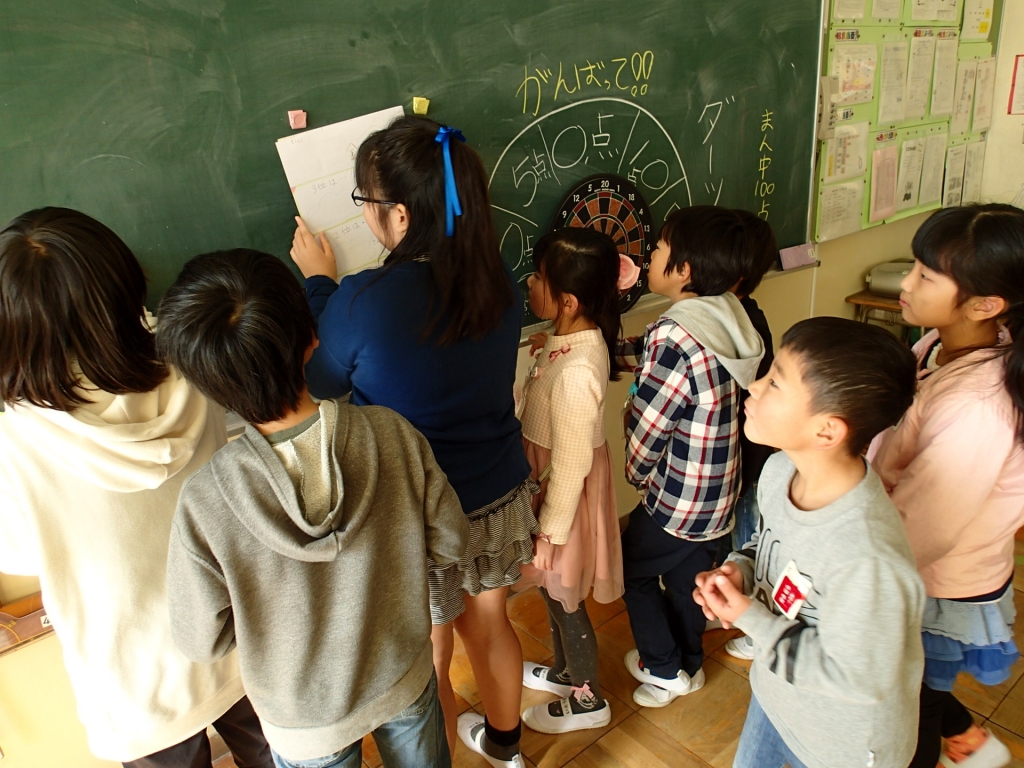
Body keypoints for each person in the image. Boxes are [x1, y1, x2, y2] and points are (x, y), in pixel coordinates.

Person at [156, 249, 469, 768]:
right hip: (401, 673)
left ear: (206, 384)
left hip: (301, 718)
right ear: (312, 338)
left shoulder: (206, 501)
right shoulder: (391, 433)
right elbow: (452, 542)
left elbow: (201, 640)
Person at [288, 115, 535, 768]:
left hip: (419, 514)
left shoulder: (363, 301)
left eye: (365, 201)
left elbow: (321, 381)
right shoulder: (498, 279)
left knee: (433, 653)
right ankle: (507, 749)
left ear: (399, 215)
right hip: (498, 489)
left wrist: (319, 284)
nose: (365, 213)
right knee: (492, 623)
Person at [0, 208, 270, 768]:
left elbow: (18, 553)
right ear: (124, 283)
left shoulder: (16, 438)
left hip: (132, 676)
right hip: (235, 629)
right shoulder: (187, 361)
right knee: (280, 754)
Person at [695, 317, 925, 768]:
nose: (754, 386)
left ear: (826, 431)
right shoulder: (781, 470)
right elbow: (770, 546)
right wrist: (741, 571)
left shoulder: (867, 556)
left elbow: (859, 676)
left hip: (841, 747)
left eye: (775, 382)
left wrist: (749, 617)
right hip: (777, 699)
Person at [869, 204, 1024, 768]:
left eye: (926, 276)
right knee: (913, 684)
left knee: (912, 707)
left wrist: (859, 566)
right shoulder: (941, 341)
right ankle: (969, 742)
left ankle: (946, 744)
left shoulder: (978, 405)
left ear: (985, 305)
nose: (907, 284)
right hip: (916, 557)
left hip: (935, 572)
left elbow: (925, 527)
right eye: (912, 268)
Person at [616, 205, 765, 707]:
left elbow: (651, 422)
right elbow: (656, 358)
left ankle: (662, 668)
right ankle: (689, 664)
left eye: (659, 248)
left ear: (684, 270)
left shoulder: (675, 334)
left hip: (677, 498)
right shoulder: (727, 316)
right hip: (719, 495)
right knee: (689, 581)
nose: (649, 254)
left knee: (630, 570)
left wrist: (636, 472)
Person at [513, 228, 637, 734]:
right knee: (552, 589)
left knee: (565, 594)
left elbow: (569, 463)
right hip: (551, 484)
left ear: (568, 301)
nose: (528, 282)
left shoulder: (579, 369)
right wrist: (546, 349)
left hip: (563, 497)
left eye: (538, 277)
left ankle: (589, 698)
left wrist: (549, 532)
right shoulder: (569, 341)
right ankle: (566, 673)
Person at [722, 209, 779, 661]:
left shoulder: (742, 324)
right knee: (742, 540)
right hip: (743, 455)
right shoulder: (733, 316)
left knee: (751, 536)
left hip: (751, 457)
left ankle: (761, 628)